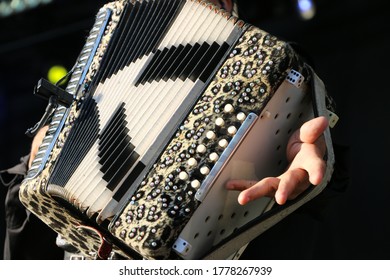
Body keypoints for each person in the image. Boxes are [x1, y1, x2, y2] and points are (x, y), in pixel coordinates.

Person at [3, 0, 345, 260]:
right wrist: (34, 164)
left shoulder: (271, 71)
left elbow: (313, 152)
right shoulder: (107, 58)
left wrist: (306, 157)